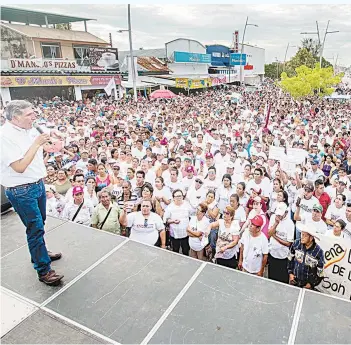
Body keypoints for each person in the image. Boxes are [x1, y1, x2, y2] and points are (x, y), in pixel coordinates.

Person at [1, 100, 63, 285]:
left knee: (40, 223)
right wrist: (36, 143)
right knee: (34, 228)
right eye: (29, 114)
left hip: (37, 185)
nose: (34, 117)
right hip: (21, 190)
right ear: (15, 117)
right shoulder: (4, 136)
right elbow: (19, 166)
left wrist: (50, 142)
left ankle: (39, 254)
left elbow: (46, 150)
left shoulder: (29, 130)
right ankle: (43, 270)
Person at [287, 224, 325, 289]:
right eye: (302, 234)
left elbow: (320, 272)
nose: (302, 237)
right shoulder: (296, 243)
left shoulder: (319, 252)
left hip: (307, 284)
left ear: (311, 238)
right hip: (294, 279)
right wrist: (290, 273)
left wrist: (312, 284)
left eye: (305, 235)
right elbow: (290, 259)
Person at [267, 203, 294, 283]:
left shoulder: (290, 224)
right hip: (272, 253)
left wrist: (275, 237)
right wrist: (276, 223)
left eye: (280, 215)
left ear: (286, 212)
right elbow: (269, 233)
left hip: (283, 257)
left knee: (282, 280)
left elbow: (288, 243)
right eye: (278, 214)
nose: (279, 216)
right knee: (271, 279)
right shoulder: (273, 218)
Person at [164, 189, 192, 255]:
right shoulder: (170, 207)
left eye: (180, 196)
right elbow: (166, 219)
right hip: (175, 234)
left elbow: (191, 215)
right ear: (173, 198)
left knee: (186, 251)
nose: (179, 198)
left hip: (185, 234)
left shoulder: (187, 204)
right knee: (175, 251)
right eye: (177, 196)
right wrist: (173, 221)